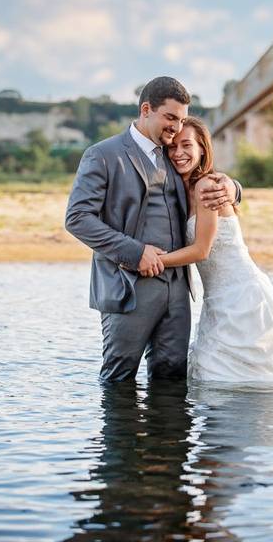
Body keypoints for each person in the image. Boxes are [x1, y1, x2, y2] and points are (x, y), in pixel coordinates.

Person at [64, 76, 240, 383]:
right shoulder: (103, 155)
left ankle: (169, 434)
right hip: (128, 287)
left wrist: (234, 188)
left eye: (181, 120)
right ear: (146, 109)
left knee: (172, 379)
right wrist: (134, 252)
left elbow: (203, 173)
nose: (175, 128)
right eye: (170, 117)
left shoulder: (173, 155)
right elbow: (77, 218)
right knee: (119, 379)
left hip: (177, 292)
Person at [159, 117, 273, 383]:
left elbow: (201, 251)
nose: (178, 153)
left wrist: (153, 261)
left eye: (186, 145)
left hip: (241, 295)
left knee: (237, 374)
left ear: (202, 148)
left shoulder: (206, 187)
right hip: (217, 299)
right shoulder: (184, 190)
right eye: (173, 147)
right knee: (221, 372)